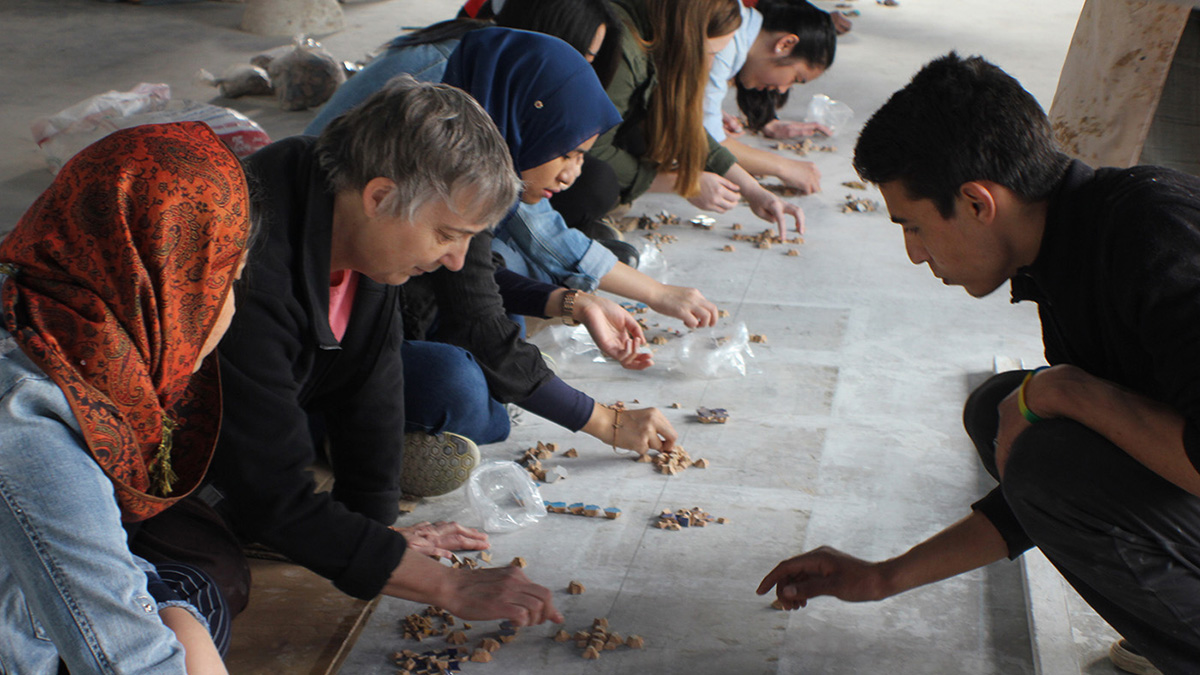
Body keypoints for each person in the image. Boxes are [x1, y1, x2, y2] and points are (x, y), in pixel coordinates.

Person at [757, 53, 1200, 675]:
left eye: (914, 226)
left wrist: (1067, 391)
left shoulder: (1157, 237)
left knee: (1043, 429)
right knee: (1004, 413)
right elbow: (1053, 491)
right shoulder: (1073, 245)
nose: (915, 254)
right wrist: (885, 578)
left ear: (976, 202)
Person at [209, 76, 561, 626]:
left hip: (287, 385)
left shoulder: (358, 225)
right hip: (168, 439)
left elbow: (372, 381)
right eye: (447, 234)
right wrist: (446, 585)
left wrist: (378, 529)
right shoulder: (252, 265)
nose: (455, 260)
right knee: (216, 580)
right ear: (378, 197)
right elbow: (270, 491)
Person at [0, 122, 253, 673]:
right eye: (223, 280)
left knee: (194, 595)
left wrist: (172, 613)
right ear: (165, 279)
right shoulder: (24, 415)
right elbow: (128, 660)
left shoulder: (43, 320)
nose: (230, 306)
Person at [589, 0, 805, 240]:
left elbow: (680, 122)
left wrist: (752, 189)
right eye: (711, 53)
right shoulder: (624, 50)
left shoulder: (659, 32)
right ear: (688, 35)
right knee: (599, 182)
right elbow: (590, 151)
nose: (710, 65)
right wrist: (684, 184)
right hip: (562, 161)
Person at [704, 0, 837, 194]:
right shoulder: (723, 45)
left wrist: (710, 112)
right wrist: (783, 167)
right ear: (785, 44)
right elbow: (704, 143)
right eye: (795, 78)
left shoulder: (738, 19)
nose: (782, 89)